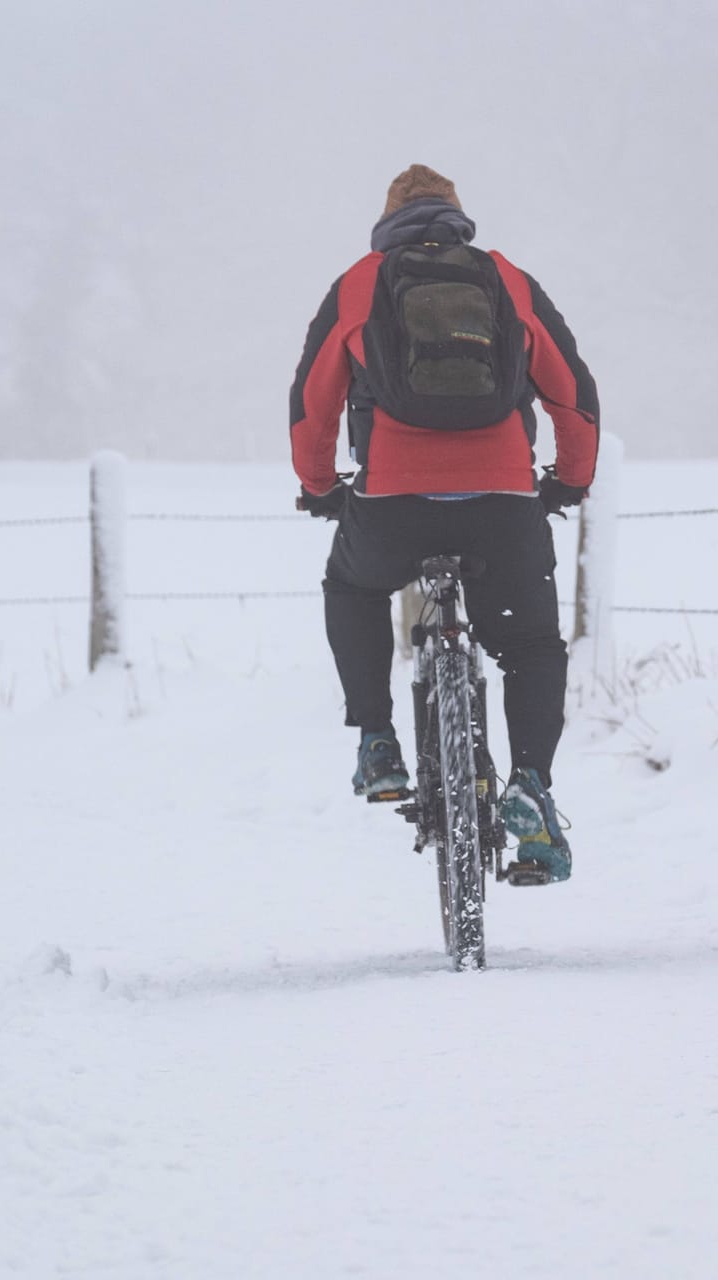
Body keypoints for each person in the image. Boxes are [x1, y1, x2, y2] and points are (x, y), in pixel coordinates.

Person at [289, 164, 599, 883]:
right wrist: (570, 480)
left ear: (386, 221)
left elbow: (314, 400)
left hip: (393, 503)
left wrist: (319, 487)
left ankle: (376, 741)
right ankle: (531, 785)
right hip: (502, 502)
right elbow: (573, 393)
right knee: (527, 646)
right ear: (460, 218)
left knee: (354, 587)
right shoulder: (507, 279)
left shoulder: (361, 283)